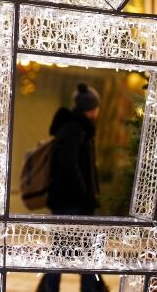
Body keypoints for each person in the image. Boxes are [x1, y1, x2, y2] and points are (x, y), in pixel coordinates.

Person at [38, 83, 105, 292]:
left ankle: (83, 288)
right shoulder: (75, 128)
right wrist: (83, 194)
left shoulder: (77, 127)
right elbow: (69, 164)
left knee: (73, 250)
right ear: (91, 108)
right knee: (68, 251)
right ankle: (56, 289)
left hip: (71, 201)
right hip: (71, 202)